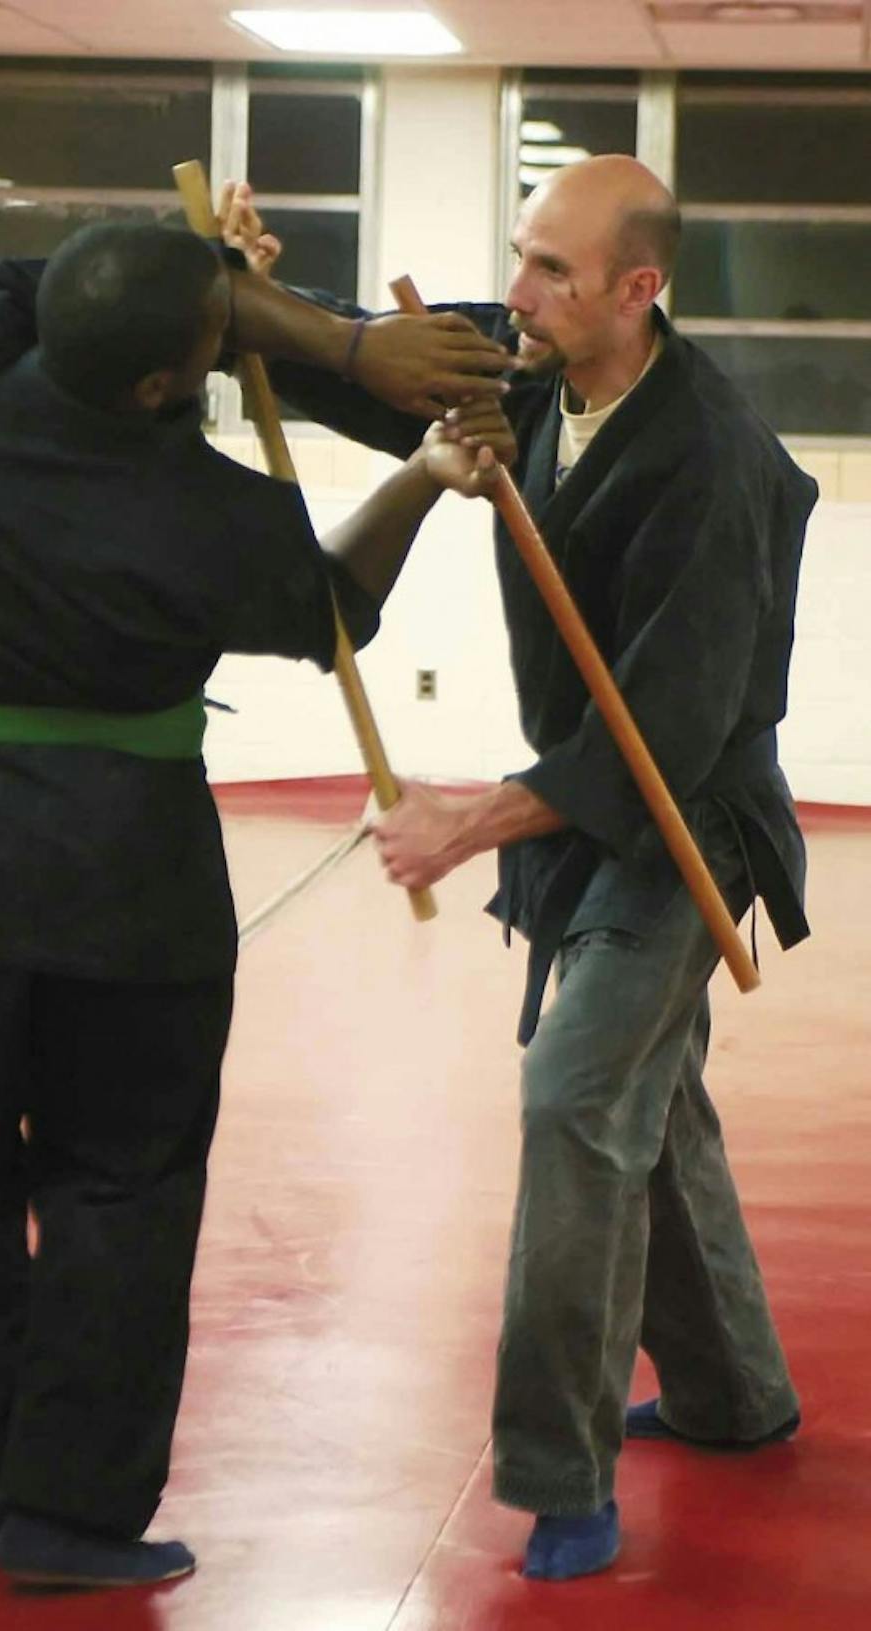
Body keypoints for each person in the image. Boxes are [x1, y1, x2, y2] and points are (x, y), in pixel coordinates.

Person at [0, 221, 513, 1589]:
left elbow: (22, 278)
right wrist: (424, 469)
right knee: (121, 1184)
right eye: (215, 346)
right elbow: (331, 605)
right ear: (167, 389)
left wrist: (244, 297)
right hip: (123, 879)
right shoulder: (209, 517)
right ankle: (62, 1508)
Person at [223, 156, 816, 1581]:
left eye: (552, 271)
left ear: (640, 288)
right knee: (644, 1098)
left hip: (687, 825)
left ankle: (562, 1476)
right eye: (520, 256)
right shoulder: (526, 367)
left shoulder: (712, 467)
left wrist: (467, 818)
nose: (521, 293)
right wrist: (249, 296)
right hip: (596, 799)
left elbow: (665, 738)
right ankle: (737, 1394)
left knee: (574, 1093)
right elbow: (367, 371)